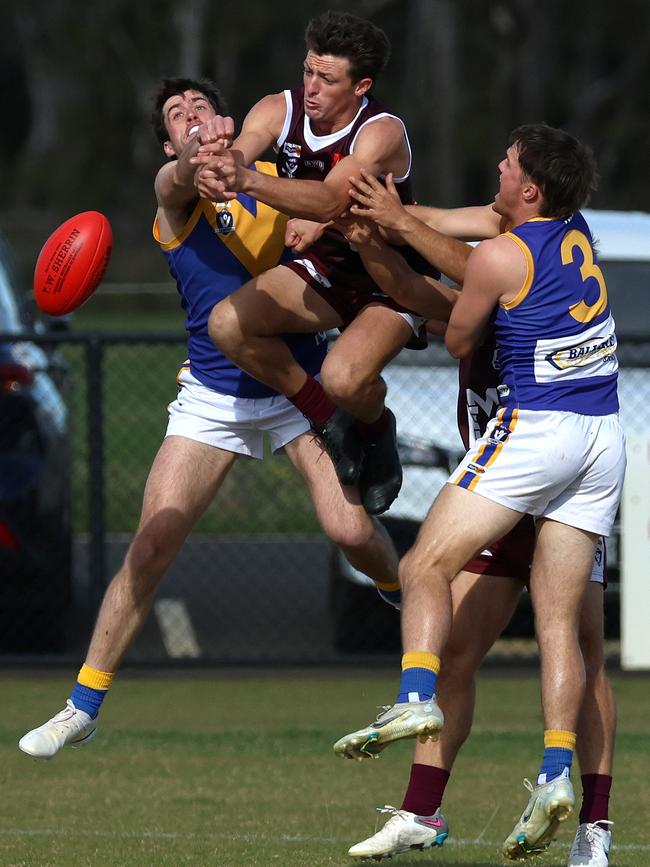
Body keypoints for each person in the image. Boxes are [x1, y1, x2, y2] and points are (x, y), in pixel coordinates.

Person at [17, 76, 401, 760]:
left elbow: (322, 208)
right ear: (169, 142)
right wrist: (197, 163)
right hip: (214, 396)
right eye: (175, 115)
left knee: (349, 528)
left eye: (199, 105)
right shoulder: (176, 192)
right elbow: (176, 180)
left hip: (295, 383)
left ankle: (408, 593)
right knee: (151, 545)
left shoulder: (275, 171)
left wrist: (264, 177)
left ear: (225, 116)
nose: (190, 116)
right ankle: (83, 703)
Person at [333, 123, 625, 862]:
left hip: (532, 444)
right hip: (596, 440)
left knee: (423, 565)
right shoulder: (568, 227)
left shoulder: (499, 258)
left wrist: (394, 231)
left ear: (529, 187)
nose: (497, 166)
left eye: (508, 163)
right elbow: (445, 233)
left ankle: (414, 695)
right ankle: (501, 799)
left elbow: (453, 320)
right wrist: (383, 224)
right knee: (538, 639)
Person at [189, 10, 455, 515]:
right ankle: (326, 417)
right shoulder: (278, 109)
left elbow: (331, 201)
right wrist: (220, 169)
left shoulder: (381, 133)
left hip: (389, 277)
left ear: (362, 86)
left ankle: (378, 429)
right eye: (308, 71)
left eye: (327, 79)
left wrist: (246, 182)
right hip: (330, 266)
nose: (311, 87)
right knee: (227, 325)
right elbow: (242, 152)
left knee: (345, 376)